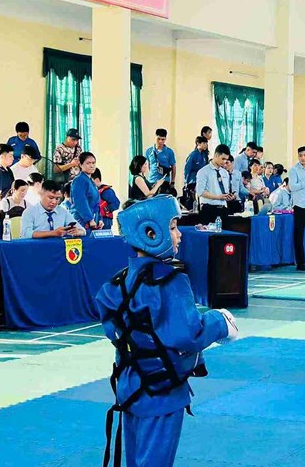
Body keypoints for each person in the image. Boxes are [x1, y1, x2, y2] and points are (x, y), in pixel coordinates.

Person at [95, 195, 239, 467]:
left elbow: (112, 329)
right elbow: (189, 334)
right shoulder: (171, 281)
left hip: (130, 386)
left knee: (136, 460)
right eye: (173, 227)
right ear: (151, 232)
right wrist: (220, 323)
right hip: (161, 391)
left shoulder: (119, 281)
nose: (179, 235)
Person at [20, 180, 86, 238]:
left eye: (57, 198)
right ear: (41, 194)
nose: (54, 202)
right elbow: (26, 234)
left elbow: (83, 230)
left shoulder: (63, 212)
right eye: (51, 198)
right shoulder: (29, 212)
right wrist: (53, 233)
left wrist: (77, 232)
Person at [195, 144, 233, 225]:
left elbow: (226, 190)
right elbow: (200, 192)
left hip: (223, 208)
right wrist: (217, 197)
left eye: (226, 160)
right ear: (216, 155)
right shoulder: (203, 171)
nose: (224, 162)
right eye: (223, 159)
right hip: (209, 209)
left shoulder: (225, 173)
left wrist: (229, 196)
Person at [70, 152, 103, 232]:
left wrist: (100, 219)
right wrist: (89, 219)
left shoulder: (91, 181)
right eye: (88, 163)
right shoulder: (79, 180)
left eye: (93, 163)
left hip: (93, 220)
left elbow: (96, 204)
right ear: (81, 165)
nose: (92, 165)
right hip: (82, 220)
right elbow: (81, 202)